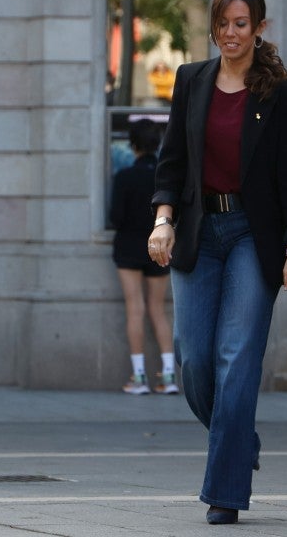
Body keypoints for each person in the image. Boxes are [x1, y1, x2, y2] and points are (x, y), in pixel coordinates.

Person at [147, 0, 287, 525]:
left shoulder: (284, 94)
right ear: (214, 28)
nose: (231, 33)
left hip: (251, 236)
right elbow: (171, 161)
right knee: (194, 363)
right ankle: (241, 439)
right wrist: (162, 220)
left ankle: (225, 492)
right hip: (199, 232)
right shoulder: (191, 80)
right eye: (223, 23)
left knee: (236, 359)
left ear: (259, 28)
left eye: (242, 23)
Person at [110, 119, 176, 395]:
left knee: (134, 308)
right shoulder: (163, 178)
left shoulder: (124, 177)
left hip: (128, 247)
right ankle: (169, 376)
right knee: (158, 310)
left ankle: (139, 378)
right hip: (159, 248)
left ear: (133, 145)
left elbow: (115, 217)